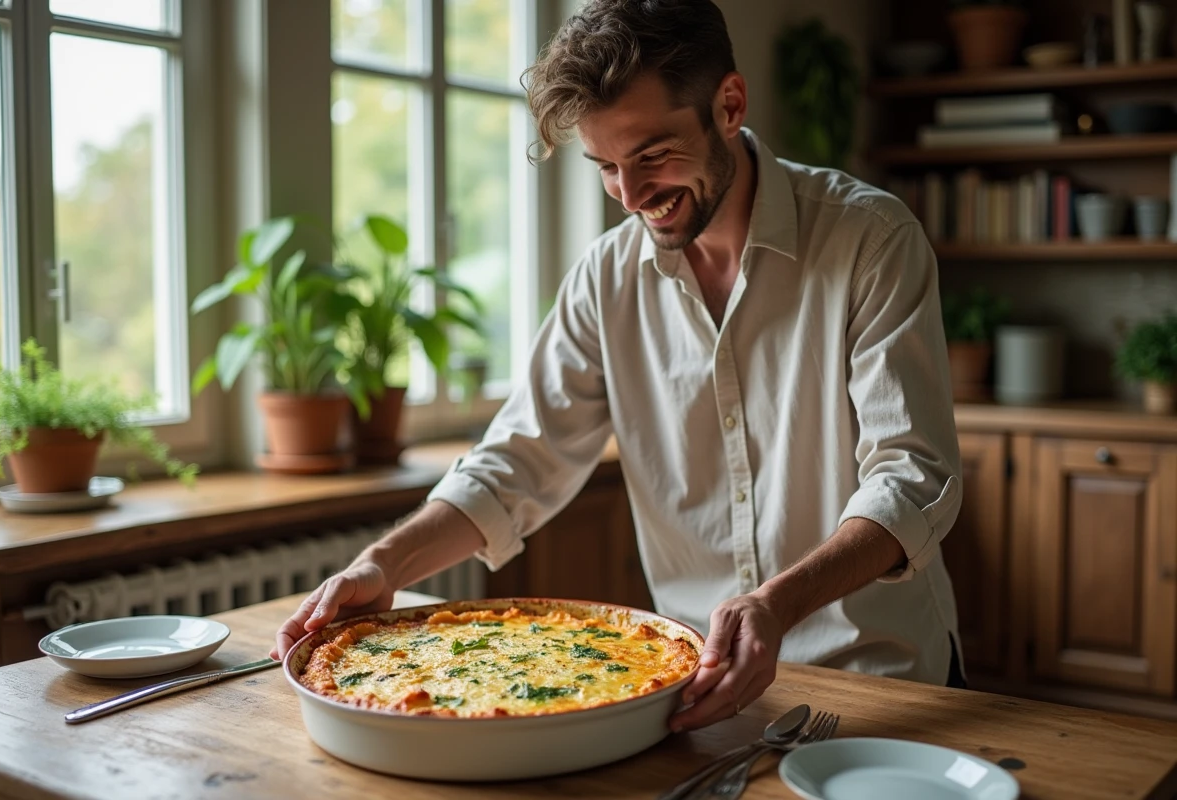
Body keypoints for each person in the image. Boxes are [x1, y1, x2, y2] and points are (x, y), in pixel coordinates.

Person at [274, 0, 965, 733]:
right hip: (698, 686)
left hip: (879, 684)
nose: (632, 198)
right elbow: (516, 462)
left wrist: (777, 602)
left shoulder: (870, 239)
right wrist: (383, 564)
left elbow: (911, 478)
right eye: (605, 166)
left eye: (652, 156)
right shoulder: (605, 279)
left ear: (729, 105)